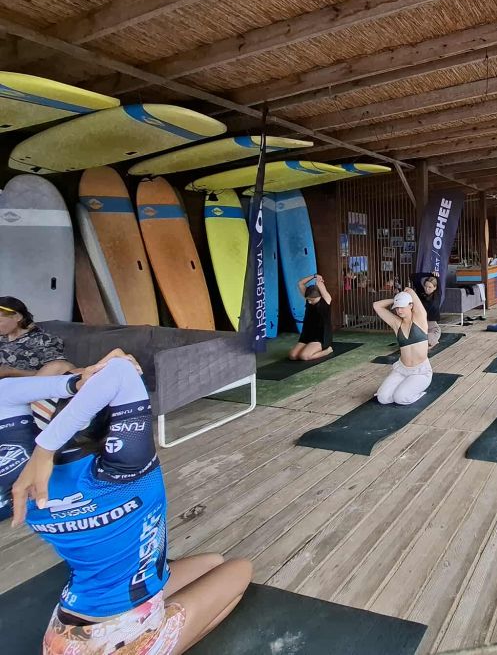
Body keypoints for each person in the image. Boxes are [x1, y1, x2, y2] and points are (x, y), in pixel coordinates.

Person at [1, 351, 252, 654]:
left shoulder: (22, 480)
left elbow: (4, 392)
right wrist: (48, 442)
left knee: (213, 562)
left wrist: (69, 390)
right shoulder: (124, 472)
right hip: (116, 642)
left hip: (64, 631)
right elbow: (120, 372)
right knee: (241, 569)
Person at [372, 289, 432, 405]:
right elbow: (376, 305)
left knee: (400, 398)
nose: (399, 310)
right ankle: (404, 386)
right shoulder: (396, 324)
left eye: (402, 307)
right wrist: (395, 300)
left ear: (411, 305)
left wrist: (406, 293)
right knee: (383, 398)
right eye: (397, 308)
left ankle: (418, 392)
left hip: (420, 372)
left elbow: (410, 291)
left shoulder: (420, 319)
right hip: (401, 370)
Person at [0, 296, 73, 378]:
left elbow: (58, 371)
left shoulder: (45, 340)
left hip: (26, 384)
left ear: (17, 317)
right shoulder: (2, 339)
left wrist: (11, 372)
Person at [288, 274, 333, 361]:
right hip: (307, 334)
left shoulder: (326, 300)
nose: (309, 302)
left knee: (304, 356)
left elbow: (320, 285)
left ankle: (327, 351)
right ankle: (309, 347)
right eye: (307, 299)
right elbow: (300, 283)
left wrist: (319, 280)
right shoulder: (309, 297)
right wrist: (314, 276)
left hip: (320, 336)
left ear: (319, 296)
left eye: (312, 300)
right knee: (292, 356)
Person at [411, 271, 442, 347]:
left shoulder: (437, 295)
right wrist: (429, 274)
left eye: (430, 287)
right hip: (419, 323)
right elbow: (413, 276)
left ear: (435, 288)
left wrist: (436, 276)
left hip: (431, 324)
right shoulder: (421, 292)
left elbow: (438, 282)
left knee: (433, 336)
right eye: (425, 286)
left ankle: (427, 341)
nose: (427, 289)